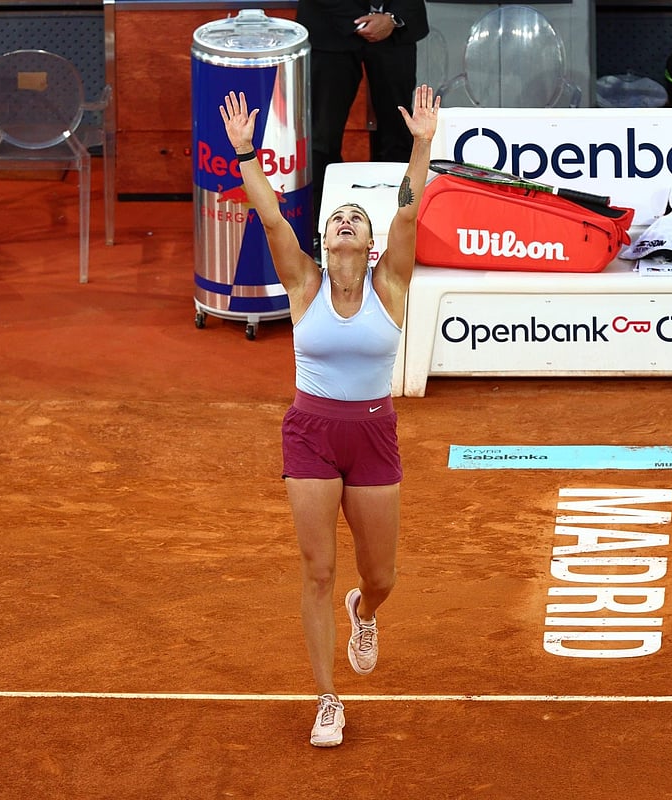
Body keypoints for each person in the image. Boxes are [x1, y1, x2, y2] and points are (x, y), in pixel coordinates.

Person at [219, 84, 439, 745]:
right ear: (327, 237)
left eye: (356, 218)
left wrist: (422, 143)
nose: (346, 220)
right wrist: (245, 155)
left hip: (374, 435)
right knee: (317, 569)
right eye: (337, 217)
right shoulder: (305, 284)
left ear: (370, 243)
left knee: (381, 577)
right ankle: (326, 699)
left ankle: (364, 612)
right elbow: (272, 221)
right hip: (311, 434)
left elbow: (407, 216)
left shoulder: (390, 283)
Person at [296, 0, 429, 247]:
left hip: (397, 26)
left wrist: (392, 18)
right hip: (329, 26)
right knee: (321, 138)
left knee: (398, 135)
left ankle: (397, 231)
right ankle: (321, 233)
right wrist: (356, 19)